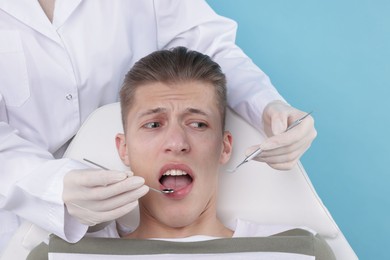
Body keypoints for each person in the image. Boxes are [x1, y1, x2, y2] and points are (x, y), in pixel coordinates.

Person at [0, 0, 316, 253]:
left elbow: (211, 48)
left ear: (226, 146)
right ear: (121, 147)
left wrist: (267, 106)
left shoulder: (293, 249)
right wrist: (52, 185)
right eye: (154, 124)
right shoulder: (47, 255)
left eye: (197, 123)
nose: (176, 142)